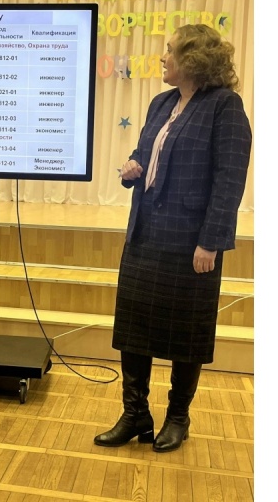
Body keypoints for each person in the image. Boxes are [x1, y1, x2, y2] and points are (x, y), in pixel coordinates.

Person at [94, 24, 252, 453]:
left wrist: (211, 241)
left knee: (187, 330)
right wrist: (132, 167)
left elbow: (230, 179)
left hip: (190, 241)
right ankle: (135, 413)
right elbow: (144, 153)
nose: (163, 58)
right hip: (145, 233)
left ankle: (178, 416)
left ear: (194, 59)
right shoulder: (161, 103)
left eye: (170, 51)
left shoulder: (225, 107)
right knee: (133, 326)